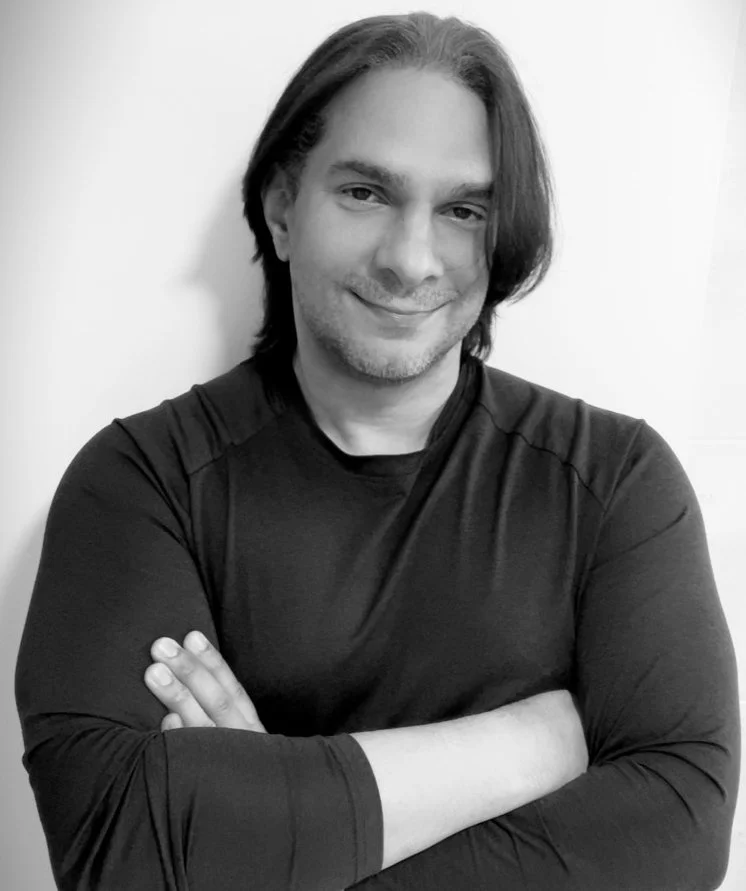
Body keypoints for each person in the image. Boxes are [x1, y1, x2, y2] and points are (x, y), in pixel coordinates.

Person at [15, 11, 740, 891]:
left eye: (464, 209)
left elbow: (676, 842)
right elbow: (123, 849)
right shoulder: (141, 484)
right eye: (365, 192)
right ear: (283, 206)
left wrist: (273, 834)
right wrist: (525, 746)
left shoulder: (616, 482)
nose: (411, 258)